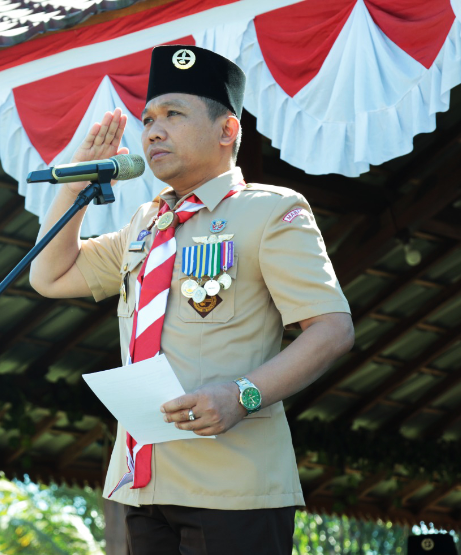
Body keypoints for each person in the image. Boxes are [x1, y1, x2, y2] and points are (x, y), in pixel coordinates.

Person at [29, 45, 355, 554]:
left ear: (227, 131)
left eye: (173, 115)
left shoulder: (271, 213)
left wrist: (241, 395)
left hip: (234, 485)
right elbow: (49, 276)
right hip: (145, 482)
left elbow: (332, 330)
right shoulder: (145, 224)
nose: (153, 131)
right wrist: (76, 181)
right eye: (148, 118)